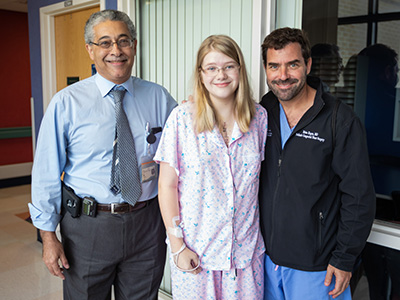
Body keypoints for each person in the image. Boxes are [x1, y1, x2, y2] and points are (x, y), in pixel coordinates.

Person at [28, 10, 177, 300]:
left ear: (134, 45)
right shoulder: (66, 103)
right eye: (105, 43)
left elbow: (186, 145)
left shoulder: (158, 97)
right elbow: (46, 172)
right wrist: (48, 238)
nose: (116, 51)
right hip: (88, 227)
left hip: (147, 223)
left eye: (123, 41)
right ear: (90, 50)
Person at [258, 27, 376, 300]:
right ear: (266, 68)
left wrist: (344, 258)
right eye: (274, 66)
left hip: (317, 268)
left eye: (292, 64)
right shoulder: (263, 112)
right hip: (265, 261)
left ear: (308, 65)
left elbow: (358, 196)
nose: (283, 75)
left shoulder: (339, 120)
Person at [154, 35, 267, 299]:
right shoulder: (182, 119)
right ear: (201, 74)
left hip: (245, 256)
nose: (221, 75)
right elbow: (166, 185)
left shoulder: (260, 118)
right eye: (212, 68)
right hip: (197, 256)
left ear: (240, 69)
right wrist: (178, 246)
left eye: (229, 66)